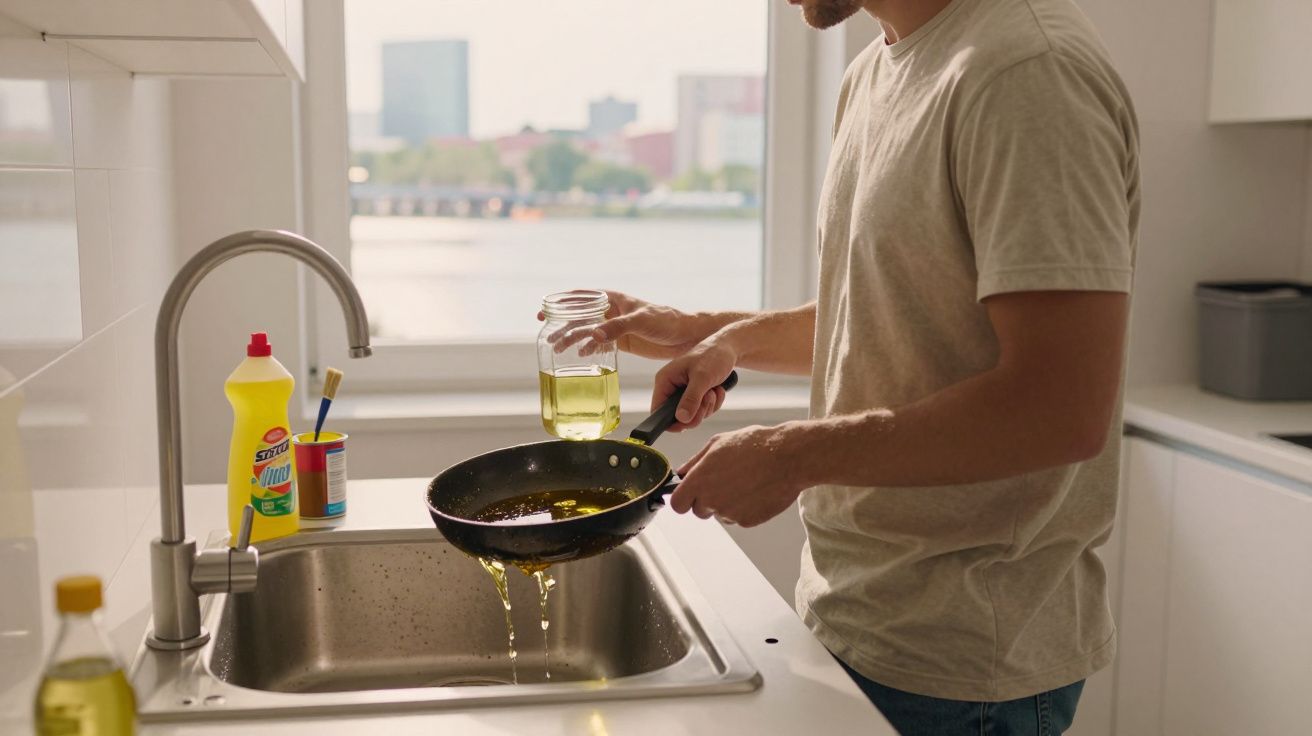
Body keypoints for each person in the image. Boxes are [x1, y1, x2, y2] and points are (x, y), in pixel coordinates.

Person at [556, 0, 1138, 732]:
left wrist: (788, 454)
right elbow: (894, 316)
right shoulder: (877, 70)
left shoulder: (1027, 72)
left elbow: (1059, 410)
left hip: (964, 667)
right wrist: (716, 336)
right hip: (853, 618)